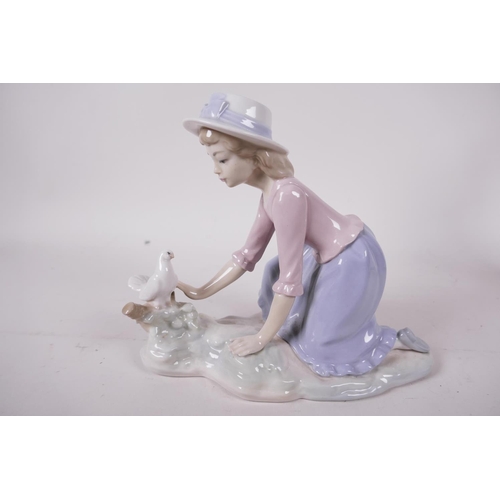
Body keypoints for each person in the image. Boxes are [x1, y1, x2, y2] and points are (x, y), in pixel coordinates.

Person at [178, 92, 429, 377]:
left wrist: (261, 339)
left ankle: (389, 340)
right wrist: (201, 291)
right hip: (325, 255)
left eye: (222, 160)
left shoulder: (287, 196)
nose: (215, 170)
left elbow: (290, 278)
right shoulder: (270, 194)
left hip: (349, 258)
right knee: (276, 283)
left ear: (255, 157)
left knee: (319, 348)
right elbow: (247, 255)